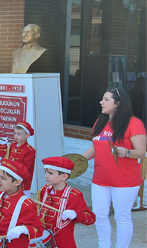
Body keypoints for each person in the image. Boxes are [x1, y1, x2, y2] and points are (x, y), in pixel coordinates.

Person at [81, 87, 146, 248]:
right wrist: (76, 161)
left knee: (122, 217)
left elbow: (141, 152)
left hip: (125, 181)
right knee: (99, 215)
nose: (101, 102)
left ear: (118, 104)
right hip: (100, 179)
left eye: (106, 99)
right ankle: (104, 246)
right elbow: (95, 147)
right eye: (103, 99)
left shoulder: (134, 123)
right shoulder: (100, 121)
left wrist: (127, 152)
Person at [37, 156, 96, 248]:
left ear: (64, 176)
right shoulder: (44, 190)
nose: (46, 176)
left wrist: (75, 214)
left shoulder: (73, 195)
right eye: (45, 172)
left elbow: (90, 218)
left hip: (64, 242)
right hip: (44, 240)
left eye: (50, 173)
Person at [0, 159, 43, 248]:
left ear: (17, 182)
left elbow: (38, 229)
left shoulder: (26, 204)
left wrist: (22, 229)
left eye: (3, 178)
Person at [0, 121, 36, 195]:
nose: (15, 136)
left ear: (27, 136)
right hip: (9, 178)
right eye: (15, 133)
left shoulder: (30, 150)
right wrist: (3, 144)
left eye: (19, 134)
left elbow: (26, 168)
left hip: (22, 181)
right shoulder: (12, 146)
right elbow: (4, 156)